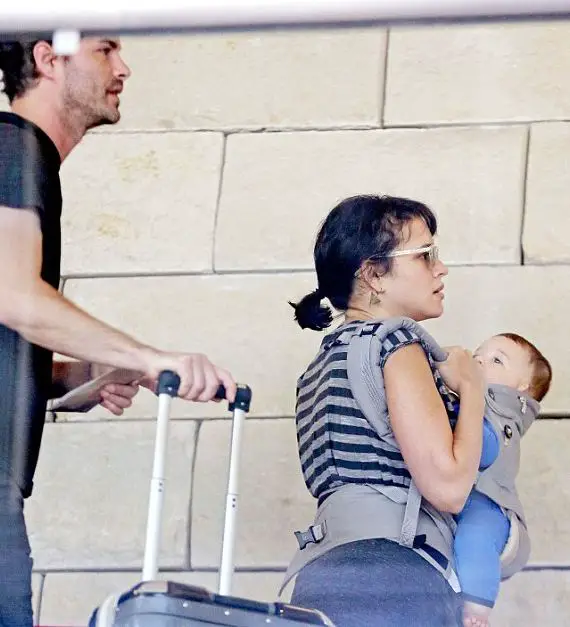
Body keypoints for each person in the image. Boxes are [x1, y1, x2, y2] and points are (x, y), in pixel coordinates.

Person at [0, 37, 236, 627]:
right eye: (105, 51)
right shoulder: (13, 148)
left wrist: (75, 375)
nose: (123, 68)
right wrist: (152, 357)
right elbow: (13, 296)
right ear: (48, 59)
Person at [282, 194, 486, 626]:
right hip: (391, 578)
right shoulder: (394, 343)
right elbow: (448, 487)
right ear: (374, 273)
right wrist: (473, 388)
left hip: (316, 580)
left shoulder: (320, 364)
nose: (441, 268)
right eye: (425, 255)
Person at [454, 332, 552, 627]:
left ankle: (477, 607)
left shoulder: (504, 413)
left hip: (487, 503)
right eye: (478, 354)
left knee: (474, 537)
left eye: (497, 360)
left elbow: (484, 448)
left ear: (521, 387)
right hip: (456, 498)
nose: (481, 360)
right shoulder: (466, 397)